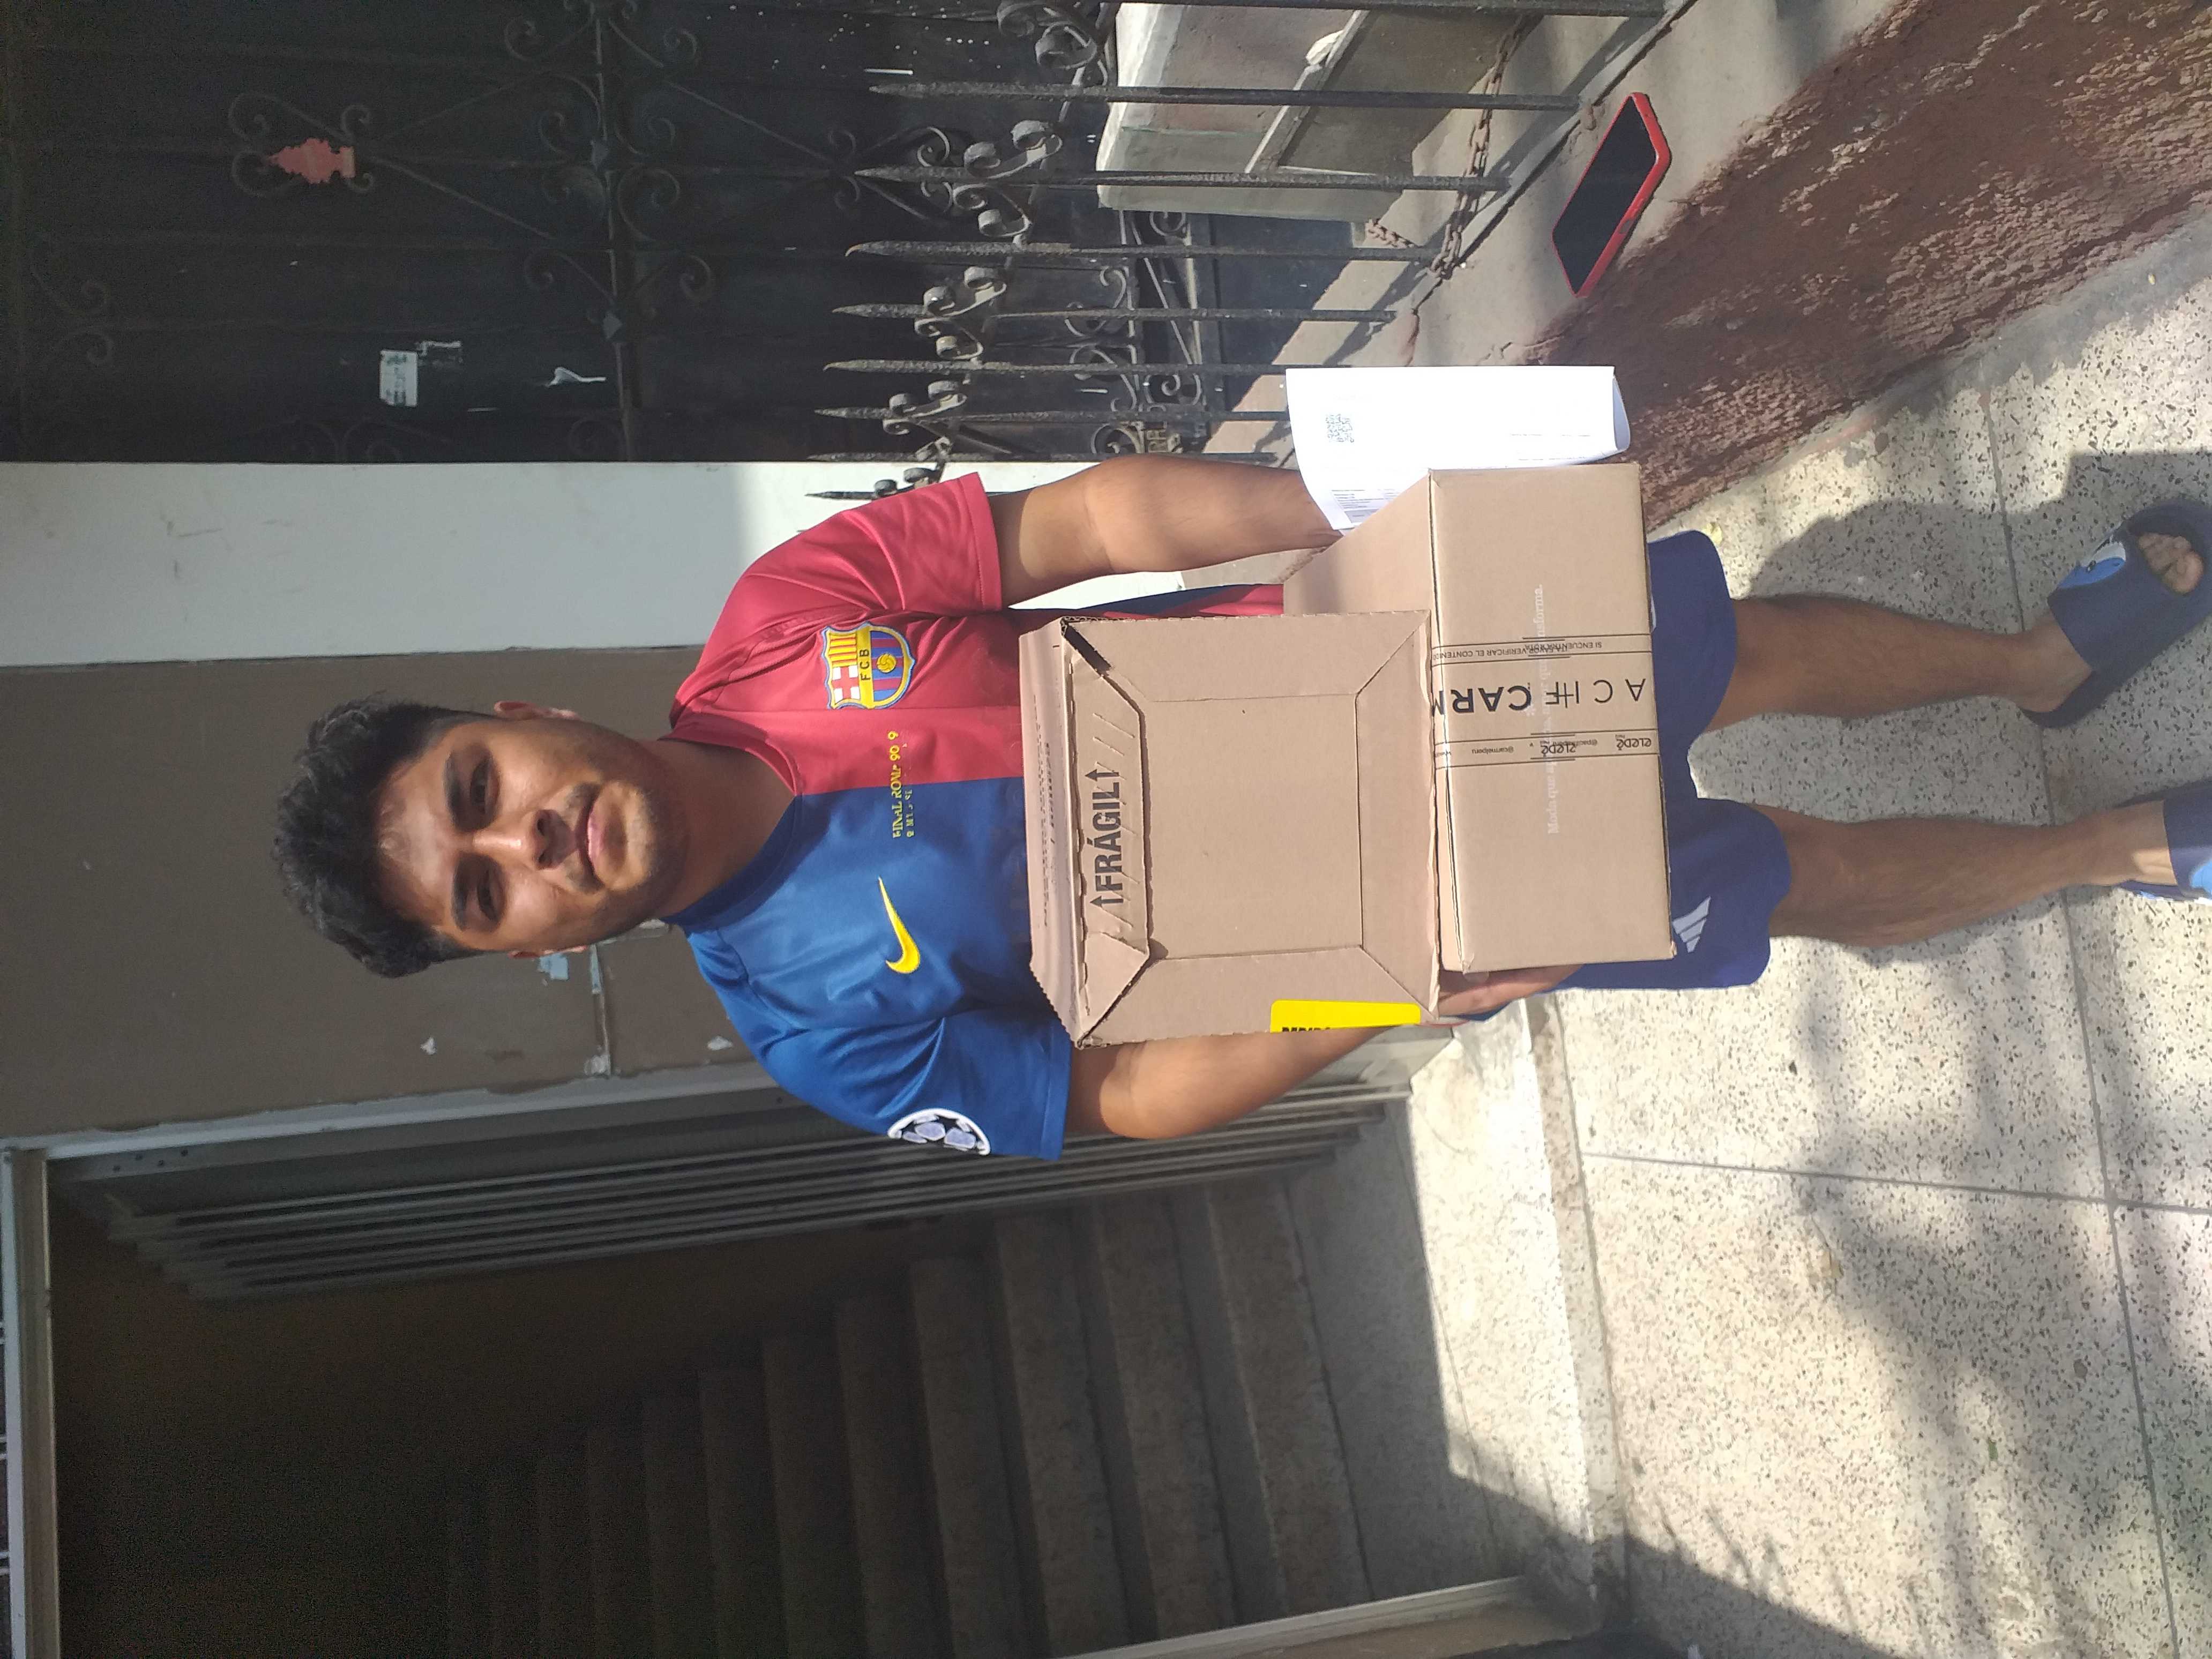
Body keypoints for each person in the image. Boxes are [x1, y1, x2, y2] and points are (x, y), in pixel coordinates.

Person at [273, 457, 2212, 1159]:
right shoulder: (817, 1033)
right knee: (1791, 873)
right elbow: (1116, 1096)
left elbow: (1085, 524)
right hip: (1425, 895)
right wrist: (1377, 989)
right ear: (520, 950)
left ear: (525, 720)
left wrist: (1356, 504)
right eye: (484, 891)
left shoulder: (784, 617)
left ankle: (2034, 664)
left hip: (1396, 653)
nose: (527, 844)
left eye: (482, 794)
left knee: (1752, 649)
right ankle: (2108, 851)